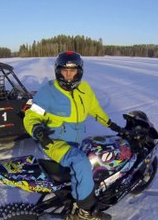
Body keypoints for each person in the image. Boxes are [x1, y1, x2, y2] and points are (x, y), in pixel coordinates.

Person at [23, 51, 122, 220]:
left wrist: (111, 124)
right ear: (57, 71)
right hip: (53, 142)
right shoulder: (47, 91)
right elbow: (31, 115)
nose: (68, 75)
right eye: (64, 70)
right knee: (80, 161)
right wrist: (38, 130)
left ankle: (77, 197)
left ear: (79, 71)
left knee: (94, 159)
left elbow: (94, 109)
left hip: (76, 141)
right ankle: (86, 211)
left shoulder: (85, 89)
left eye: (73, 70)